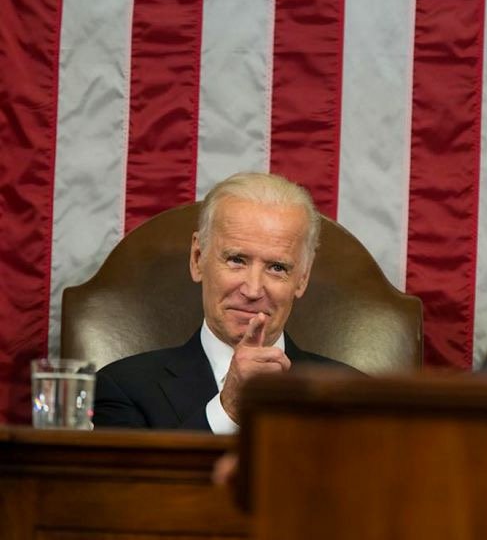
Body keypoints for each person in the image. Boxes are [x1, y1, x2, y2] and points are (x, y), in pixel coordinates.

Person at [94, 172, 350, 432]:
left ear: (302, 278)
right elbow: (144, 474)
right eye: (236, 260)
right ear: (197, 258)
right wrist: (228, 409)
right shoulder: (122, 388)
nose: (252, 290)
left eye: (276, 267)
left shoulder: (351, 396)